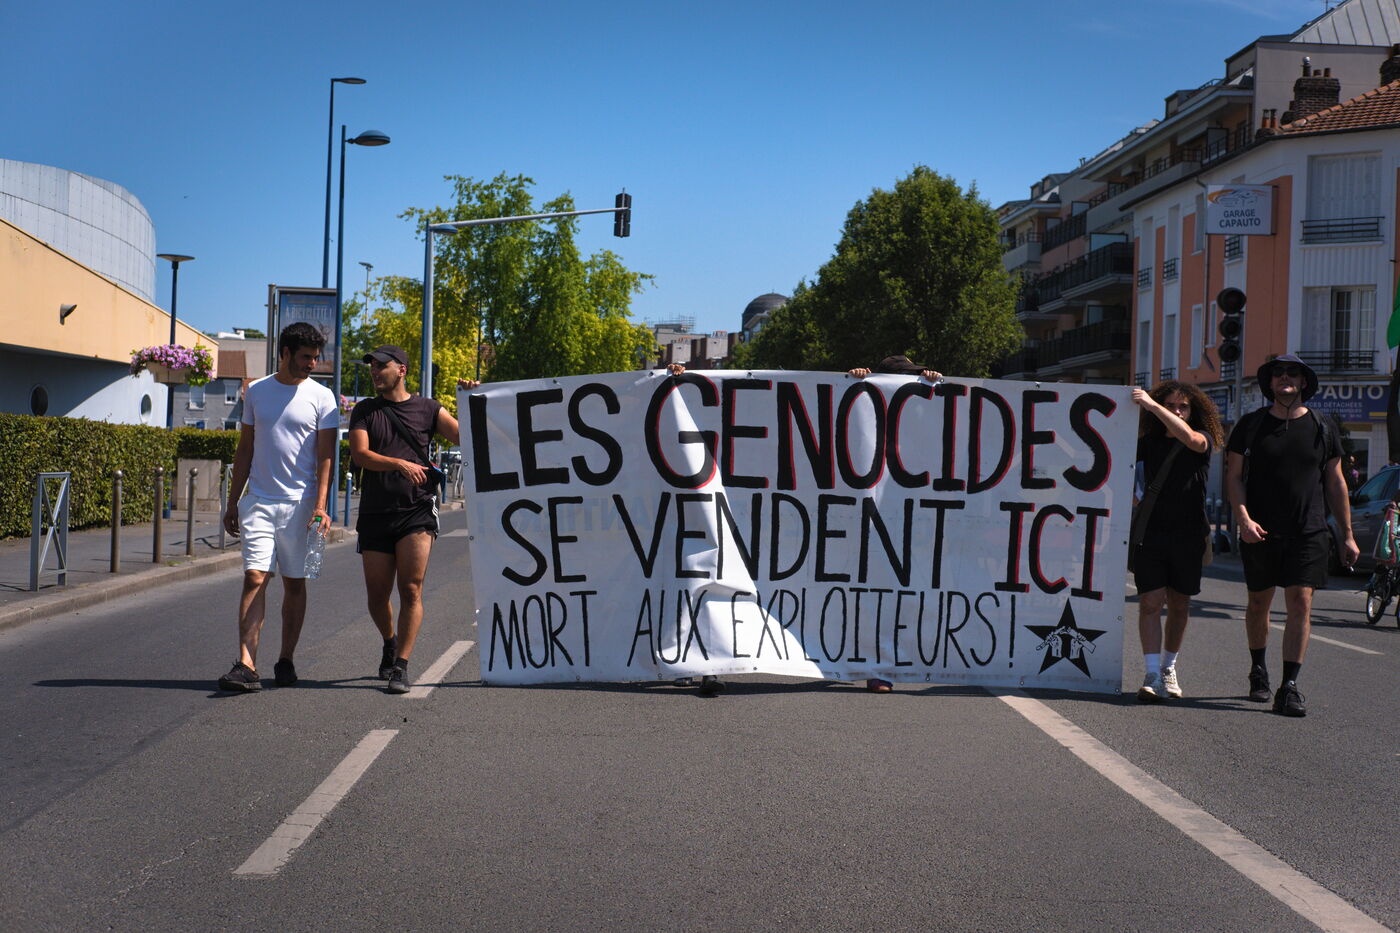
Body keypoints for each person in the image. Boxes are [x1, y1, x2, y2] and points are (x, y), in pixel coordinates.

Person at [1225, 354, 1359, 717]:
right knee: (1259, 604)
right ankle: (1258, 669)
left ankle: (1289, 687)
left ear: (1303, 382)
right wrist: (1243, 519)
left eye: (1292, 373)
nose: (1285, 377)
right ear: (1270, 383)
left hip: (1309, 531)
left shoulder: (1322, 426)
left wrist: (1347, 534)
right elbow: (1234, 477)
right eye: (1278, 373)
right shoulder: (1251, 425)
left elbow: (1335, 482)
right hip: (1260, 530)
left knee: (1301, 602)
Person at [218, 322, 339, 692]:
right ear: (285, 353)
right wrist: (233, 501)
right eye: (305, 357)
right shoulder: (257, 391)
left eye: (315, 358)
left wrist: (321, 506)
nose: (312, 364)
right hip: (259, 501)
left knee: (295, 583)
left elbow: (326, 458)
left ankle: (286, 659)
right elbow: (245, 448)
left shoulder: (323, 397)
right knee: (255, 577)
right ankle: (246, 664)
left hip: (302, 506)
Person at [347, 346, 470, 694]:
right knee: (377, 595)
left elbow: (465, 435)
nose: (374, 371)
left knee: (411, 588)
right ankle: (390, 640)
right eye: (372, 366)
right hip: (375, 512)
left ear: (401, 370)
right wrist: (399, 464)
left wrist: (470, 398)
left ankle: (400, 665)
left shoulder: (428, 408)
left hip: (416, 510)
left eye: (381, 366)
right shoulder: (365, 411)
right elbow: (360, 454)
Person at [847, 355, 943, 693]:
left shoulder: (920, 412)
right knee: (870, 595)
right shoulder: (862, 404)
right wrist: (852, 381)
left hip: (909, 517)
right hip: (866, 517)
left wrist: (935, 383)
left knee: (898, 597)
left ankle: (885, 666)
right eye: (907, 378)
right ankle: (865, 664)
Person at [1129, 381, 1225, 702]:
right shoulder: (1147, 444)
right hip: (1151, 533)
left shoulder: (1202, 438)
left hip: (1189, 535)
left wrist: (1153, 405)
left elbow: (1191, 439)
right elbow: (1117, 466)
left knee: (1180, 604)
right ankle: (1152, 675)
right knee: (1150, 602)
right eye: (1170, 405)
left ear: (1193, 411)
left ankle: (1169, 667)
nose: (1177, 411)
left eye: (1183, 406)